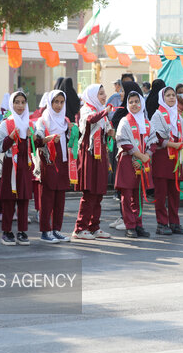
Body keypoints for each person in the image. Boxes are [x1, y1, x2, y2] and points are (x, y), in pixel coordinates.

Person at [149, 87, 183, 235]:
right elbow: (157, 139)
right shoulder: (157, 115)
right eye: (168, 95)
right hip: (162, 158)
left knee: (175, 193)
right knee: (161, 194)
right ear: (162, 98)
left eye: (173, 95)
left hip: (175, 159)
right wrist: (174, 144)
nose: (172, 98)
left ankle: (174, 222)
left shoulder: (178, 116)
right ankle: (161, 223)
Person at [74, 84, 114, 240]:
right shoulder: (87, 109)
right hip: (89, 156)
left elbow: (104, 133)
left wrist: (110, 133)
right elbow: (90, 120)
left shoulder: (101, 111)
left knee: (99, 194)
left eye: (104, 93)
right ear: (92, 95)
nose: (104, 96)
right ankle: (80, 228)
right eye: (100, 93)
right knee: (89, 193)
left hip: (100, 156)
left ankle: (94, 227)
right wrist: (105, 112)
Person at [0, 91, 35, 246]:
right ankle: (6, 231)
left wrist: (37, 139)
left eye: (23, 102)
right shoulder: (7, 123)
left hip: (25, 167)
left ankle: (22, 231)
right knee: (8, 200)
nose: (20, 105)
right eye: (17, 102)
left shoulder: (30, 124)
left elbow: (33, 147)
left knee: (24, 199)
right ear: (12, 104)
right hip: (10, 167)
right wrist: (10, 137)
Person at [34, 90, 74, 243]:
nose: (58, 105)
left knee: (60, 198)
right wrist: (47, 139)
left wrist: (72, 131)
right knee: (47, 198)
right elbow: (36, 142)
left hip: (63, 161)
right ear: (49, 103)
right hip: (48, 162)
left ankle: (57, 229)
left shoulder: (65, 121)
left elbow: (71, 141)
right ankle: (45, 231)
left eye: (61, 102)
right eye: (55, 102)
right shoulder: (43, 121)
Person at [115, 91, 153, 238]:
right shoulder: (124, 121)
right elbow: (123, 141)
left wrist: (146, 156)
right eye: (131, 102)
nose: (134, 104)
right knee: (127, 195)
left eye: (137, 101)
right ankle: (130, 225)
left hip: (143, 162)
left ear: (141, 103)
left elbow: (153, 142)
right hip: (127, 161)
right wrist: (140, 156)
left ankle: (139, 224)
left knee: (138, 194)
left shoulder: (146, 122)